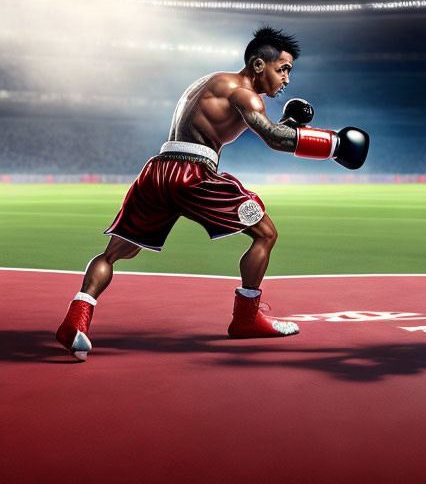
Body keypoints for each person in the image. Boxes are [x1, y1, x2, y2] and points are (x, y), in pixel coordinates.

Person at [55, 26, 369, 361]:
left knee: (115, 253)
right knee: (265, 235)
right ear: (259, 65)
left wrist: (289, 123)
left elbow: (250, 125)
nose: (287, 80)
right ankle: (246, 318)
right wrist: (335, 144)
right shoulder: (245, 94)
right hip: (194, 175)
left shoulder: (211, 83)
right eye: (283, 69)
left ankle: (76, 319)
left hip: (158, 171)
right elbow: (274, 139)